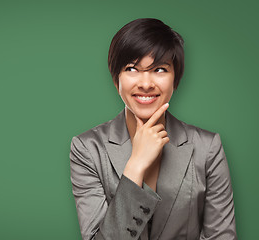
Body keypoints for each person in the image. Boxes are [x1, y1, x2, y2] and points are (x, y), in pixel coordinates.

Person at [69, 18, 237, 240]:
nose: (146, 83)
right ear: (115, 78)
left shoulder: (207, 148)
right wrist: (136, 165)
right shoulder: (87, 149)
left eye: (159, 69)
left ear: (175, 78)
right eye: (132, 69)